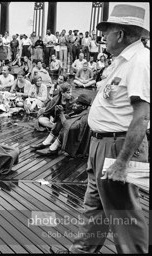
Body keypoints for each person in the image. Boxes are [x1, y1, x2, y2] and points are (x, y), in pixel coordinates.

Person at [51, 4, 150, 254]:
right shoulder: (122, 61)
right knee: (94, 208)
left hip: (118, 147)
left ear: (120, 33)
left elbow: (142, 116)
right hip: (101, 145)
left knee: (124, 215)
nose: (102, 36)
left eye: (107, 30)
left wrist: (123, 161)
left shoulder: (140, 61)